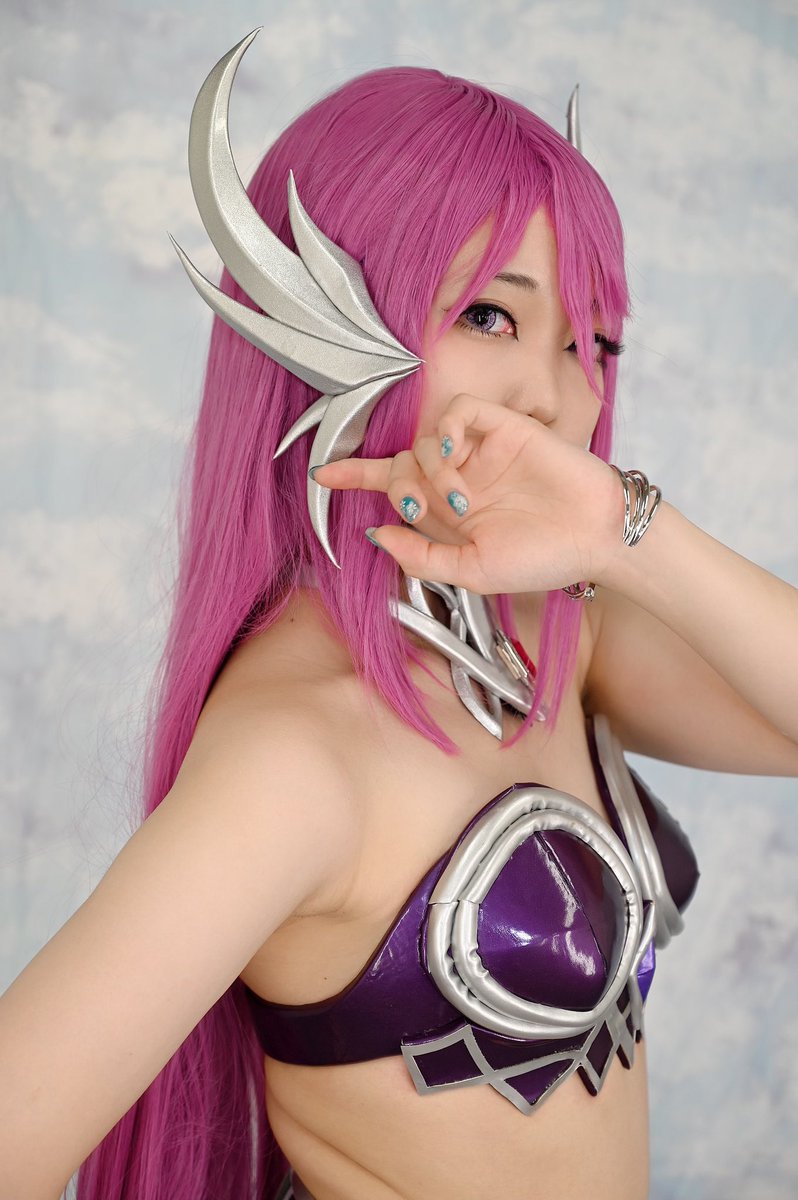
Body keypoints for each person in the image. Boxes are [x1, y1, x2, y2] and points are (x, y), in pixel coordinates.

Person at [2, 26, 797, 1200]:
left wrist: (624, 531)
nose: (555, 397)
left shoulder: (558, 639)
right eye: (491, 317)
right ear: (322, 321)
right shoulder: (297, 753)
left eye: (591, 343)